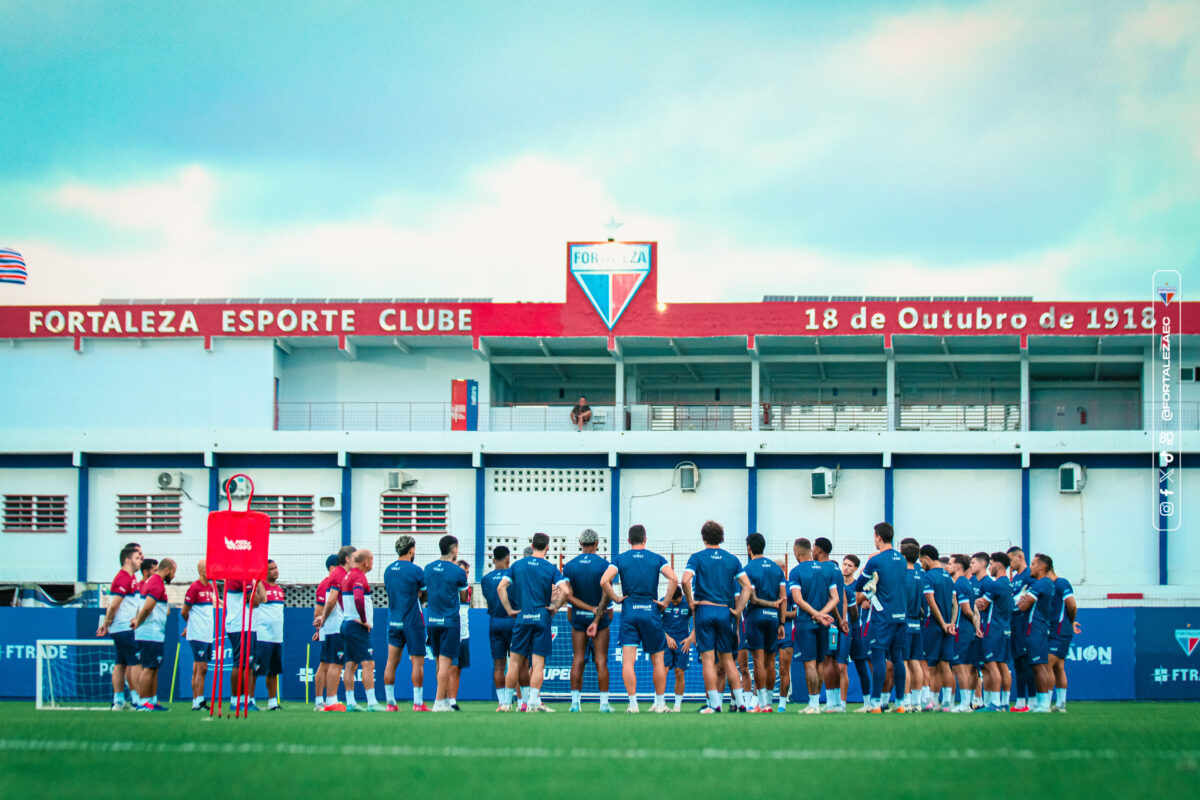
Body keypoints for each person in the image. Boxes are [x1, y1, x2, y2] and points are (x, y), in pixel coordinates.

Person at [602, 524, 678, 713]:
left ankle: (633, 704)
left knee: (628, 661)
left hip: (629, 611)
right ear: (645, 539)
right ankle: (660, 704)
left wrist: (617, 598)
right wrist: (666, 601)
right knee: (658, 660)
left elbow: (603, 581)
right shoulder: (656, 558)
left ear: (628, 540)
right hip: (650, 610)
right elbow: (674, 579)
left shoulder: (621, 559)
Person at [681, 520, 752, 714]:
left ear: (703, 537)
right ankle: (741, 702)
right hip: (724, 611)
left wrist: (691, 601)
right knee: (728, 659)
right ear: (721, 537)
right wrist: (738, 610)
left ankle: (715, 703)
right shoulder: (732, 559)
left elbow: (685, 580)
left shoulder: (697, 558)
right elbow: (747, 586)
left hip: (705, 610)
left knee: (708, 659)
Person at [497, 532, 570, 712]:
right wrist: (555, 607)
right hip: (541, 617)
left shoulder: (517, 565)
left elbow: (501, 587)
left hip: (523, 615)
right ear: (547, 547)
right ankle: (532, 703)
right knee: (538, 664)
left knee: (514, 662)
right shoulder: (550, 568)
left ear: (532, 544)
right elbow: (566, 591)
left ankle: (506, 703)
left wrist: (509, 610)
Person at [858, 522, 909, 713]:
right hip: (901, 614)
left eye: (874, 536)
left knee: (878, 656)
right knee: (898, 658)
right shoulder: (902, 559)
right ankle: (901, 703)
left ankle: (876, 702)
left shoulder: (876, 560)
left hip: (883, 615)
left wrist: (870, 588)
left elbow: (860, 584)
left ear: (878, 537)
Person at [563, 528, 613, 712]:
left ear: (580, 543)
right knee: (601, 660)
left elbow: (568, 595)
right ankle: (604, 704)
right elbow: (606, 594)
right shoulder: (604, 565)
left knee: (577, 659)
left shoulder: (570, 566)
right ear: (597, 544)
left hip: (578, 617)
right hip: (600, 619)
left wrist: (581, 611)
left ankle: (575, 703)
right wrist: (598, 615)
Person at [788, 537, 838, 714]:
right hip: (823, 622)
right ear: (810, 550)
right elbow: (836, 598)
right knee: (820, 664)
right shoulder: (827, 570)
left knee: (809, 664)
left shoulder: (796, 572)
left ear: (796, 552)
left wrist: (816, 615)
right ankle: (816, 702)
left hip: (806, 622)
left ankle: (814, 704)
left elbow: (798, 600)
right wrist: (822, 614)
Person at [382, 535, 428, 712]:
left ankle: (390, 703)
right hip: (412, 621)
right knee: (417, 663)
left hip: (394, 620)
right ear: (411, 550)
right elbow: (424, 594)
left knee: (391, 662)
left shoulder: (388, 570)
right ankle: (417, 703)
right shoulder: (416, 570)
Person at [422, 536, 468, 712]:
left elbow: (424, 594)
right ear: (454, 549)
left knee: (438, 663)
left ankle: (443, 700)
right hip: (450, 621)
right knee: (445, 663)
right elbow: (464, 597)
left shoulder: (429, 568)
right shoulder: (457, 572)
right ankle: (439, 701)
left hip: (433, 620)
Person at [332, 549, 380, 711]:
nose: (373, 563)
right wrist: (364, 620)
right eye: (372, 559)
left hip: (347, 623)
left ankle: (351, 702)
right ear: (365, 561)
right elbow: (358, 597)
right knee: (368, 663)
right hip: (356, 626)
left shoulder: (348, 576)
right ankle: (372, 702)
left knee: (351, 664)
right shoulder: (359, 576)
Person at [741, 533, 785, 713]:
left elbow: (751, 598)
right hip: (774, 617)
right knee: (770, 660)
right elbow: (784, 597)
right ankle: (769, 702)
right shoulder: (777, 569)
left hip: (756, 616)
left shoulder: (748, 569)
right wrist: (782, 622)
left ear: (749, 548)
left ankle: (763, 703)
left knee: (758, 661)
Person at [96, 543, 143, 710]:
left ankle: (119, 700)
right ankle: (138, 700)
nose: (141, 561)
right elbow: (114, 604)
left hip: (122, 627)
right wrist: (106, 624)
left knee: (120, 663)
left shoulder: (131, 578)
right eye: (138, 558)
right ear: (127, 559)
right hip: (123, 628)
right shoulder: (123, 577)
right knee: (134, 663)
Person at [130, 558, 176, 711]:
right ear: (168, 569)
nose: (174, 576)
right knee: (148, 668)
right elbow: (148, 607)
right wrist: (138, 621)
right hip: (150, 633)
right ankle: (143, 703)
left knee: (153, 668)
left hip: (153, 632)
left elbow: (143, 606)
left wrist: (137, 620)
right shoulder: (156, 583)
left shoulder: (153, 581)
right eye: (174, 572)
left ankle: (150, 701)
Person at [1017, 553, 1057, 713]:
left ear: (1042, 566)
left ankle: (1044, 704)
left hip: (1036, 629)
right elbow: (1022, 602)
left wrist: (1024, 600)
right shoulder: (1041, 584)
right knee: (1038, 666)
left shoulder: (1042, 584)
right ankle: (1043, 703)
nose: (1031, 567)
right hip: (1035, 629)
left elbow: (1022, 606)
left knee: (1040, 667)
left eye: (1033, 564)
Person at [974, 551, 1013, 712]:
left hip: (993, 628)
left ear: (999, 564)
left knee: (992, 666)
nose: (990, 567)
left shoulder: (996, 584)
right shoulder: (1007, 583)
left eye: (992, 564)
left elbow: (982, 604)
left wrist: (973, 600)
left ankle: (994, 703)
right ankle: (1004, 703)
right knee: (1002, 665)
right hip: (1004, 628)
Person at [918, 544, 956, 711]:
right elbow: (955, 604)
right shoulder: (948, 576)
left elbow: (930, 602)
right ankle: (947, 701)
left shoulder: (928, 577)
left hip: (933, 625)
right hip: (947, 627)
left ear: (926, 558)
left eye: (921, 560)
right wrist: (951, 623)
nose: (921, 564)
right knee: (945, 664)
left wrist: (941, 623)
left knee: (929, 665)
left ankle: (930, 701)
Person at [813, 537, 848, 712]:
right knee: (833, 661)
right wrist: (842, 619)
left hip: (826, 620)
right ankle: (836, 702)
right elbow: (841, 598)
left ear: (819, 550)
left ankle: (832, 701)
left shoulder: (821, 569)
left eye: (813, 547)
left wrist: (829, 616)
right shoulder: (836, 569)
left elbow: (830, 597)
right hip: (837, 621)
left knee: (826, 661)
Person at [480, 546, 515, 708]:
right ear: (508, 559)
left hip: (495, 622)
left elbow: (489, 598)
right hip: (513, 622)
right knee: (517, 663)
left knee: (499, 665)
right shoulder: (513, 576)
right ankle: (518, 701)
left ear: (493, 559)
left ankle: (502, 702)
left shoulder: (486, 579)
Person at [181, 559, 216, 710]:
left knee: (200, 667)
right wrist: (190, 626)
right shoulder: (194, 588)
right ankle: (199, 701)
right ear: (202, 570)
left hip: (207, 633)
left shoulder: (210, 587)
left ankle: (196, 700)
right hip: (198, 634)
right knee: (201, 667)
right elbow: (184, 611)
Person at [947, 554, 981, 712]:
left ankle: (965, 704)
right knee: (968, 668)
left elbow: (967, 610)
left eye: (951, 563)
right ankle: (967, 703)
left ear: (959, 567)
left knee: (961, 668)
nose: (948, 566)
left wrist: (973, 625)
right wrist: (977, 626)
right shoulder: (965, 583)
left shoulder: (960, 584)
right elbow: (975, 609)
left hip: (962, 630)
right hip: (968, 630)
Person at [314, 554, 346, 711]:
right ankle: (322, 700)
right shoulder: (326, 584)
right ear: (332, 568)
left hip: (331, 627)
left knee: (327, 664)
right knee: (327, 664)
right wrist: (319, 629)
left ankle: (324, 700)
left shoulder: (336, 581)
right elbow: (318, 611)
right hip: (330, 629)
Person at [224, 575, 260, 712]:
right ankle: (235, 700)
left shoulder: (250, 577)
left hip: (248, 625)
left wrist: (259, 582)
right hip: (240, 625)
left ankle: (246, 699)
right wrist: (256, 588)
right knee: (240, 663)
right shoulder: (240, 575)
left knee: (248, 664)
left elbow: (263, 598)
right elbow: (255, 602)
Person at [253, 560, 285, 710]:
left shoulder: (279, 589)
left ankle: (272, 702)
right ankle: (249, 700)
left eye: (276, 568)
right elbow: (255, 603)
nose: (275, 571)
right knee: (255, 670)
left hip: (277, 637)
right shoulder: (260, 587)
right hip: (262, 635)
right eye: (271, 569)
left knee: (273, 671)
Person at [839, 554, 871, 710]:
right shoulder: (837, 584)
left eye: (849, 565)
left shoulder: (859, 585)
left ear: (856, 569)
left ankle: (867, 702)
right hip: (841, 629)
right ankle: (841, 703)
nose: (845, 567)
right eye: (844, 564)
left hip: (855, 628)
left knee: (861, 665)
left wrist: (865, 597)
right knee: (840, 666)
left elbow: (863, 602)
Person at [1047, 563, 1080, 712]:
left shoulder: (1061, 583)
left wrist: (1070, 622)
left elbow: (1072, 605)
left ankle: (1045, 703)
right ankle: (1061, 704)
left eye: (1034, 564)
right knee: (1059, 667)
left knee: (1046, 665)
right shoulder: (1048, 585)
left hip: (1060, 631)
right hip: (1053, 630)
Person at [1006, 545, 1035, 712]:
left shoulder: (1030, 576)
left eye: (1011, 560)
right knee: (1017, 663)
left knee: (1026, 663)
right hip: (1014, 624)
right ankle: (1020, 700)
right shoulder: (1015, 578)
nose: (1010, 564)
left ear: (1020, 557)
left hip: (1026, 625)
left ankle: (1031, 700)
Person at [899, 541, 926, 712]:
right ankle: (917, 702)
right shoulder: (920, 575)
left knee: (904, 662)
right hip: (917, 621)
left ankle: (906, 701)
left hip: (905, 621)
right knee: (915, 662)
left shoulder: (903, 575)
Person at [661, 586, 693, 712]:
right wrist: (667, 637)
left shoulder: (688, 603)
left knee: (679, 672)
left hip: (682, 642)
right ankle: (659, 702)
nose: (675, 603)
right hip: (666, 642)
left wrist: (690, 638)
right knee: (662, 671)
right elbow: (655, 622)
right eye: (672, 602)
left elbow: (698, 620)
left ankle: (677, 705)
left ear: (681, 596)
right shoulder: (664, 601)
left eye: (677, 601)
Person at [450, 558, 473, 711]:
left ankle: (453, 699)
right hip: (451, 628)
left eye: (467, 572)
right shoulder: (450, 587)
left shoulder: (468, 589)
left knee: (458, 668)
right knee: (449, 666)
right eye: (462, 572)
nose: (465, 575)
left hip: (464, 632)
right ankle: (446, 699)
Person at [776, 557, 795, 712]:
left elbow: (796, 612)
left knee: (784, 668)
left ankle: (782, 702)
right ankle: (761, 700)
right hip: (768, 631)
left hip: (787, 632)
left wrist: (781, 615)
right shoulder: (766, 586)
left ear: (784, 569)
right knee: (762, 666)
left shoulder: (791, 587)